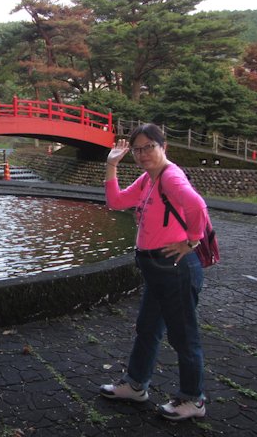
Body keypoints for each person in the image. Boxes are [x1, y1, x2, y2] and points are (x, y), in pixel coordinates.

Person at [99, 123, 208, 421]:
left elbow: (197, 204)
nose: (143, 154)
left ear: (164, 146)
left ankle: (193, 399)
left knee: (184, 335)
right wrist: (111, 165)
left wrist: (193, 239)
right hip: (157, 269)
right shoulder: (149, 178)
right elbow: (116, 201)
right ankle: (135, 385)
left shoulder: (170, 177)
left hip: (176, 268)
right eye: (138, 149)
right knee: (148, 329)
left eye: (150, 147)